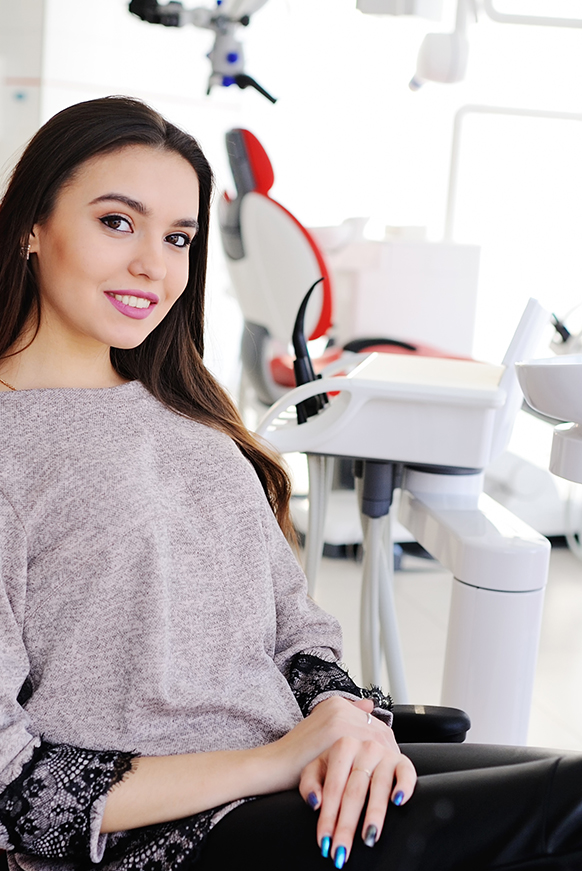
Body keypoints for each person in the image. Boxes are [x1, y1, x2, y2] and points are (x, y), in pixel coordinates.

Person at [0, 97, 581, 871]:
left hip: (290, 772)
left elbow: (296, 633)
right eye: (117, 222)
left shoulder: (192, 415)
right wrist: (277, 761)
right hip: (165, 835)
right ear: (31, 226)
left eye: (178, 238)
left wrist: (348, 718)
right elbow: (14, 792)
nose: (154, 264)